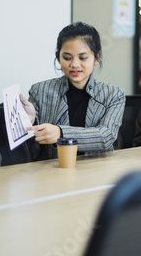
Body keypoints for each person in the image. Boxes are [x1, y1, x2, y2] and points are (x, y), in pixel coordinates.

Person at [20, 22, 125, 161]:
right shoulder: (40, 91)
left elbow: (105, 137)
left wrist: (61, 133)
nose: (75, 64)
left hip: (97, 172)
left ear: (97, 57)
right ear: (58, 57)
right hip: (52, 173)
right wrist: (30, 124)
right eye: (67, 58)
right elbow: (30, 153)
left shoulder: (113, 94)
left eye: (83, 58)